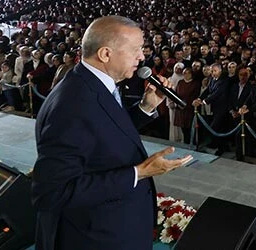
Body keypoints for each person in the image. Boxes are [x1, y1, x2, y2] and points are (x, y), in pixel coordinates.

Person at [32, 16, 192, 250]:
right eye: (136, 50)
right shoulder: (73, 105)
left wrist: (145, 108)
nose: (141, 57)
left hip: (111, 227)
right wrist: (138, 173)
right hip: (94, 237)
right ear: (106, 54)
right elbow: (53, 193)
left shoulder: (88, 83)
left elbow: (103, 130)